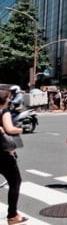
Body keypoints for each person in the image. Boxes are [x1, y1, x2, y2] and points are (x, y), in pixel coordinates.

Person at [0, 89, 27, 224]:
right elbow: (9, 129)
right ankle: (12, 215)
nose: (10, 100)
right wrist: (20, 129)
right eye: (8, 98)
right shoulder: (4, 112)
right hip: (3, 154)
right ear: (4, 100)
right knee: (15, 182)